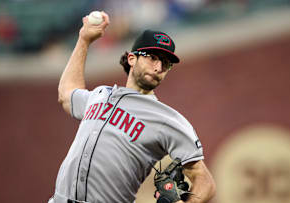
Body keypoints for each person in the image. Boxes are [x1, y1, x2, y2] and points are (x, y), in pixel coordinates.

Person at [50, 11, 216, 203]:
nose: (158, 67)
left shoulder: (168, 119)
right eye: (153, 57)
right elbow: (66, 94)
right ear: (131, 59)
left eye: (166, 63)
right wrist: (84, 40)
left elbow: (205, 182)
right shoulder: (100, 94)